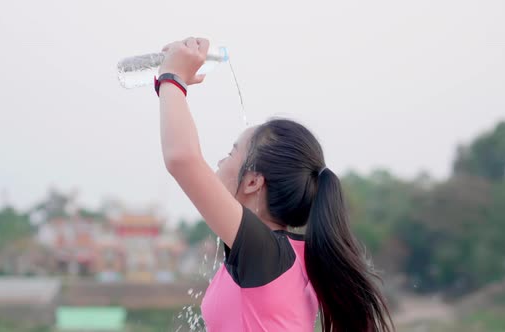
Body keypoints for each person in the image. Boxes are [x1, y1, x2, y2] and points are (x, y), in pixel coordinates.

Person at [156, 37, 393, 332]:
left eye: (232, 153)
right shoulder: (292, 254)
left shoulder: (264, 251)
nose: (219, 161)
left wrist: (172, 78)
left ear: (254, 181)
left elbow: (182, 159)